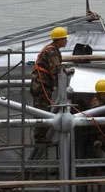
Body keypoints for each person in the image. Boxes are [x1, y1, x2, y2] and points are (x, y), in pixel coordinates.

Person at [29, 26, 73, 155]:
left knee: (44, 110)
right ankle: (39, 138)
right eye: (64, 39)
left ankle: (41, 137)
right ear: (58, 40)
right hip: (41, 85)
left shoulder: (52, 49)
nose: (66, 41)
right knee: (42, 111)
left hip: (42, 84)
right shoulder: (52, 51)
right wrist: (64, 84)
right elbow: (56, 70)